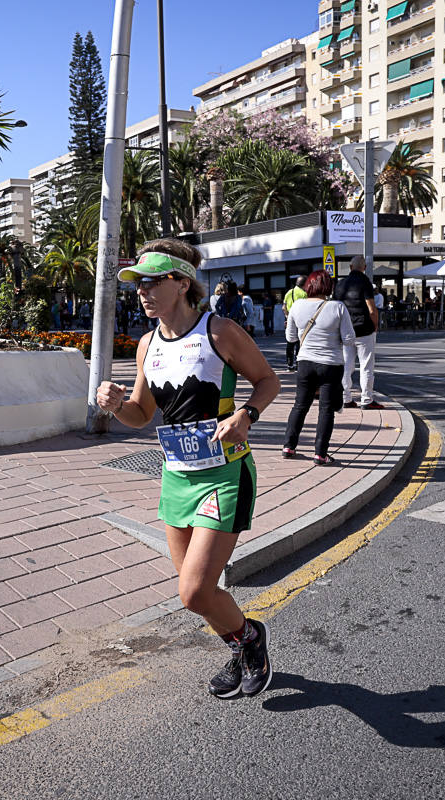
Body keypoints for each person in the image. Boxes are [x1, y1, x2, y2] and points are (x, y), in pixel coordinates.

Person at [97, 238, 280, 699]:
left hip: (225, 473)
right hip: (176, 474)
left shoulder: (219, 331)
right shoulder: (146, 345)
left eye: (153, 281)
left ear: (181, 283)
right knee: (195, 592)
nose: (142, 291)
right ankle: (242, 642)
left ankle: (251, 641)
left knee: (194, 593)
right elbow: (141, 414)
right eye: (137, 283)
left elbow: (267, 381)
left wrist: (246, 416)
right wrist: (118, 406)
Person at [283, 270, 354, 466]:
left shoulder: (297, 306)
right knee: (326, 409)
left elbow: (291, 338)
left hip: (305, 362)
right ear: (329, 286)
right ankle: (320, 454)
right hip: (330, 364)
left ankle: (289, 446)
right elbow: (349, 339)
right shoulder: (337, 307)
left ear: (309, 286)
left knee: (300, 405)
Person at [334, 256, 382, 410]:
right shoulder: (365, 282)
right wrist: (375, 326)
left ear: (350, 267)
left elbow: (335, 309)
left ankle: (345, 399)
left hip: (345, 332)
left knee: (346, 367)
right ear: (365, 267)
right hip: (364, 330)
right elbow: (371, 309)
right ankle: (367, 400)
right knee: (366, 366)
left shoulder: (340, 285)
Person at [283, 275, 307, 370]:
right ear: (305, 284)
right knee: (299, 343)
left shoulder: (290, 292)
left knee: (290, 342)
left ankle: (289, 364)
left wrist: (287, 317)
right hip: (301, 320)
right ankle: (298, 363)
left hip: (290, 320)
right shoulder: (304, 294)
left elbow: (284, 307)